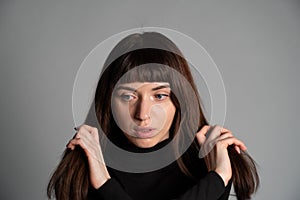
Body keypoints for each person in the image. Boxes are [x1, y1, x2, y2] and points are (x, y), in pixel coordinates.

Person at [47, 32, 259, 200]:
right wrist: (217, 179)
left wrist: (104, 184)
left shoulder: (211, 159)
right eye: (128, 96)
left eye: (159, 96)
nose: (143, 115)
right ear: (108, 101)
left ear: (181, 100)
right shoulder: (83, 165)